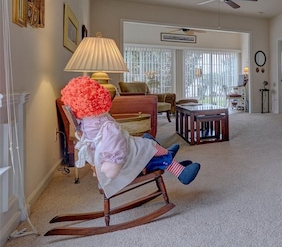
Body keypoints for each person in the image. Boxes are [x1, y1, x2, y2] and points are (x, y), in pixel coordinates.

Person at [61, 76, 200, 198]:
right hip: (125, 159)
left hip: (115, 153)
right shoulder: (106, 126)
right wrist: (111, 166)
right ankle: (179, 170)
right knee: (149, 144)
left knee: (146, 138)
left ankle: (165, 152)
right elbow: (115, 149)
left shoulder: (85, 122)